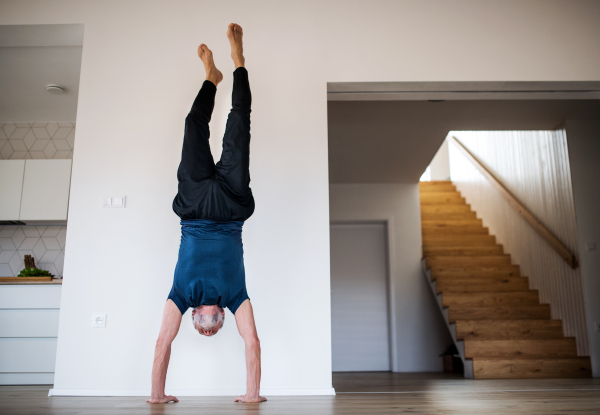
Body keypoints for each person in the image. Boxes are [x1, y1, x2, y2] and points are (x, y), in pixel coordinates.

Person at [147, 23, 266, 405]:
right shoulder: (235, 297)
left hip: (195, 207)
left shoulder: (182, 296)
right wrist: (252, 395)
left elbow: (163, 342)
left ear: (196, 317)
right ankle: (238, 62)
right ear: (220, 319)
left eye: (201, 331)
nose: (207, 332)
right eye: (212, 331)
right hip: (231, 208)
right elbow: (252, 341)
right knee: (239, 124)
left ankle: (210, 79)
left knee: (192, 125)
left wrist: (156, 395)